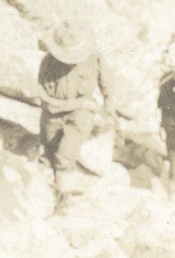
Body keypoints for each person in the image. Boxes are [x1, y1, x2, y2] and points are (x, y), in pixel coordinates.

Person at [37, 24, 120, 206]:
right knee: (50, 150)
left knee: (66, 151)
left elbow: (107, 81)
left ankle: (65, 198)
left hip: (82, 112)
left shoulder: (93, 58)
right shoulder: (47, 64)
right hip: (55, 112)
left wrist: (109, 100)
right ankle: (49, 192)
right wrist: (80, 103)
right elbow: (46, 101)